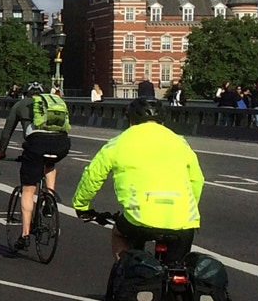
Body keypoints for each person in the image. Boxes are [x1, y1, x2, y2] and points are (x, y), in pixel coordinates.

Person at [72, 96, 204, 263]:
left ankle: (124, 270)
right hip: (183, 218)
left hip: (140, 217)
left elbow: (92, 176)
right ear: (162, 121)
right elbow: (197, 180)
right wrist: (187, 207)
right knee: (177, 266)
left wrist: (82, 206)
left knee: (120, 234)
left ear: (131, 121)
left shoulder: (118, 143)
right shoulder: (181, 142)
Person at [0, 82, 73, 254]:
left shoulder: (20, 105)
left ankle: (25, 235)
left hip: (37, 144)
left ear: (25, 94)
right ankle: (49, 199)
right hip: (62, 143)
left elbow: (7, 131)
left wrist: (1, 152)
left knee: (28, 191)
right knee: (50, 162)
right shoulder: (53, 102)